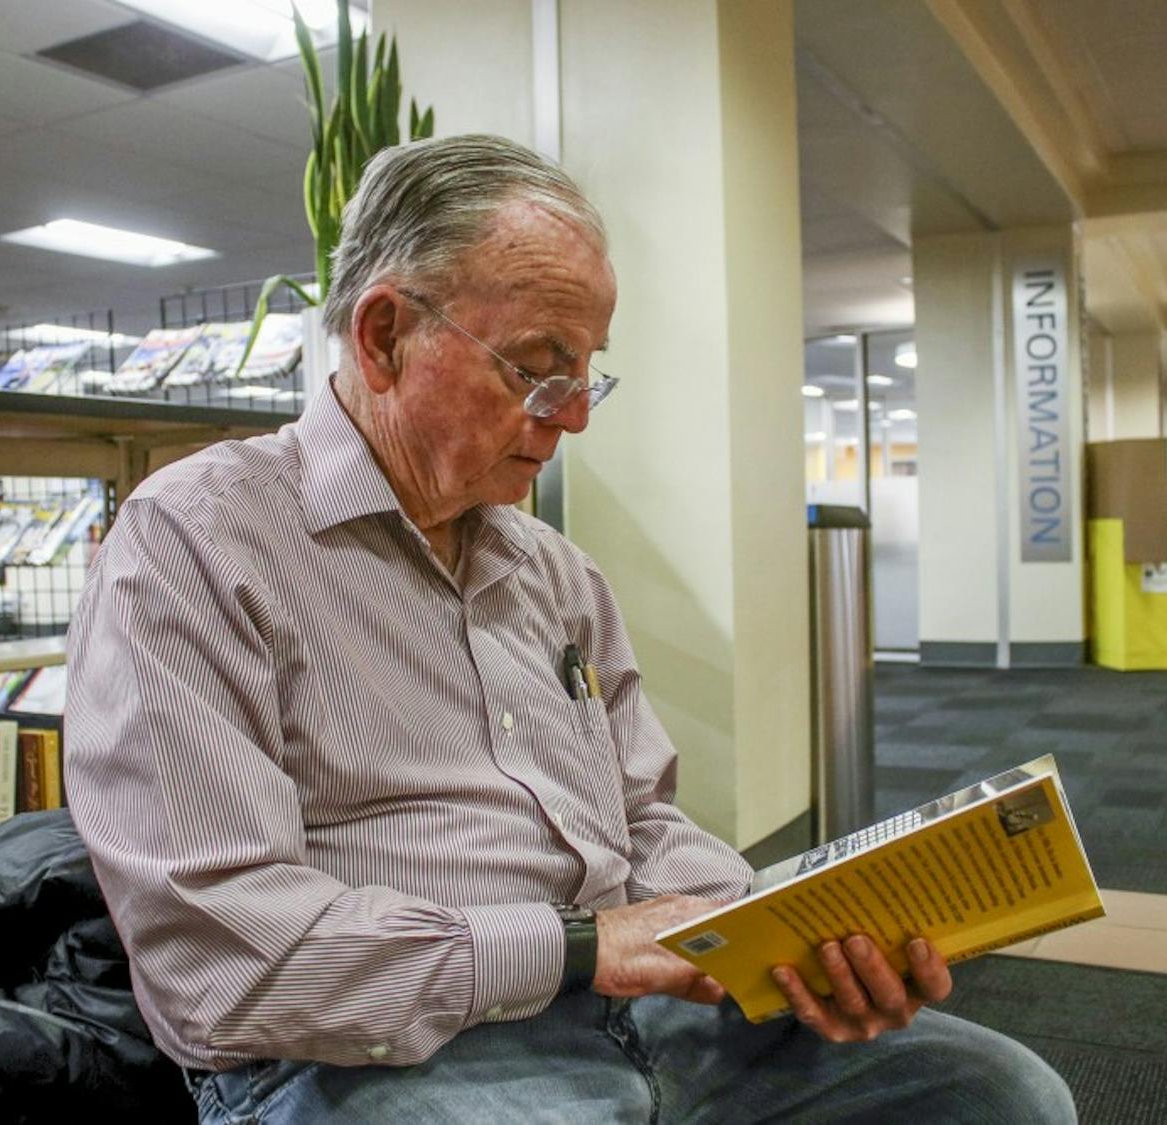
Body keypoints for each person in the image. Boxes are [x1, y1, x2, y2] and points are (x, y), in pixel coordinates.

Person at [65, 134, 1075, 1123]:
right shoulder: (196, 540)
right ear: (383, 338)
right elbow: (223, 960)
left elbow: (640, 821)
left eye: (588, 373)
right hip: (373, 1055)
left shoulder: (552, 571)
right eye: (538, 370)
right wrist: (580, 950)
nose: (575, 417)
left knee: (1002, 1096)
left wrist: (777, 935)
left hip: (635, 1007)